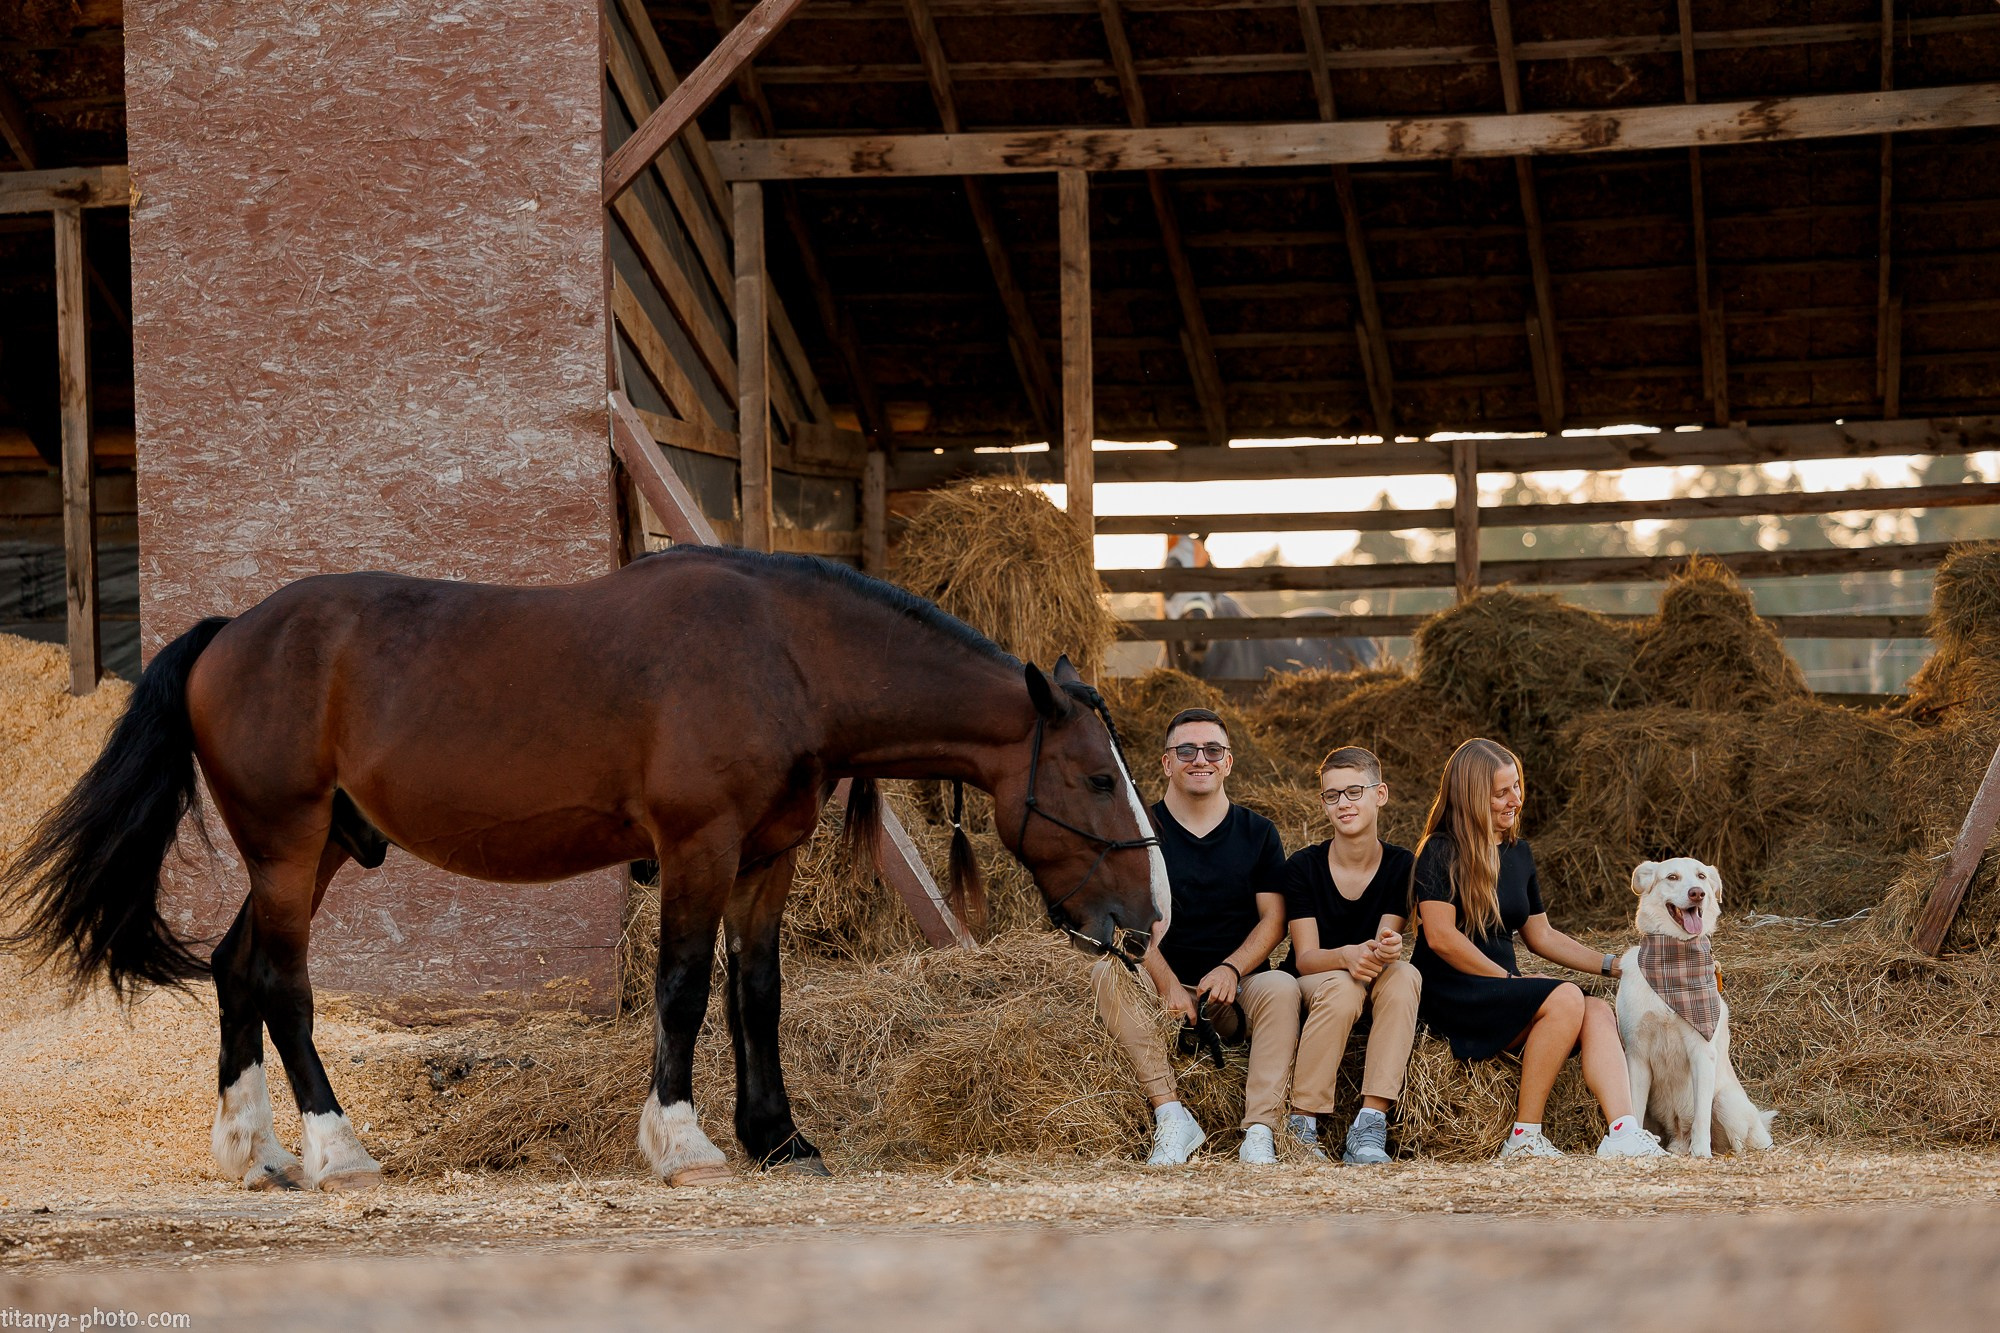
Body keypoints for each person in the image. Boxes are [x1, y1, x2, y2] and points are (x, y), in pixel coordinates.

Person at [1409, 738, 1668, 1160]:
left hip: (1502, 990)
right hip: (1453, 991)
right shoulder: (1440, 851)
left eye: (1516, 786)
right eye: (1501, 792)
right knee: (1565, 997)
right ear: (1472, 796)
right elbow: (1440, 937)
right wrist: (1509, 981)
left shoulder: (1518, 853)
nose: (1516, 799)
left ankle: (1622, 1132)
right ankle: (1524, 1137)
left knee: (1597, 1009)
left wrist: (1616, 966)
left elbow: (1541, 935)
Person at [1090, 707, 1301, 1166]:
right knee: (1106, 971)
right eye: (1186, 749)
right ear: (1166, 762)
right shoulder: (1136, 830)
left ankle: (1261, 1131)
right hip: (1159, 990)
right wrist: (1166, 984)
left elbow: (1273, 920)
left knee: (1284, 987)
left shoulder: (1258, 833)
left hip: (1238, 989)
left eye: (1212, 750)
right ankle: (1171, 1114)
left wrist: (1231, 968)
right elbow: (1124, 920)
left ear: (1228, 762)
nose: (1199, 758)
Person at [1282, 746, 1420, 1166]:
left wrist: (1389, 947)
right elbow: (1304, 958)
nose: (1343, 803)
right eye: (1332, 795)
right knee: (1343, 987)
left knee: (1406, 975)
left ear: (1380, 794)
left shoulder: (1402, 866)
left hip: (1368, 973)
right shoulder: (1303, 866)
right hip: (1315, 981)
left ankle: (1369, 1123)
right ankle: (1301, 1124)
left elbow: (1386, 936)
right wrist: (1344, 955)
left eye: (1354, 792)